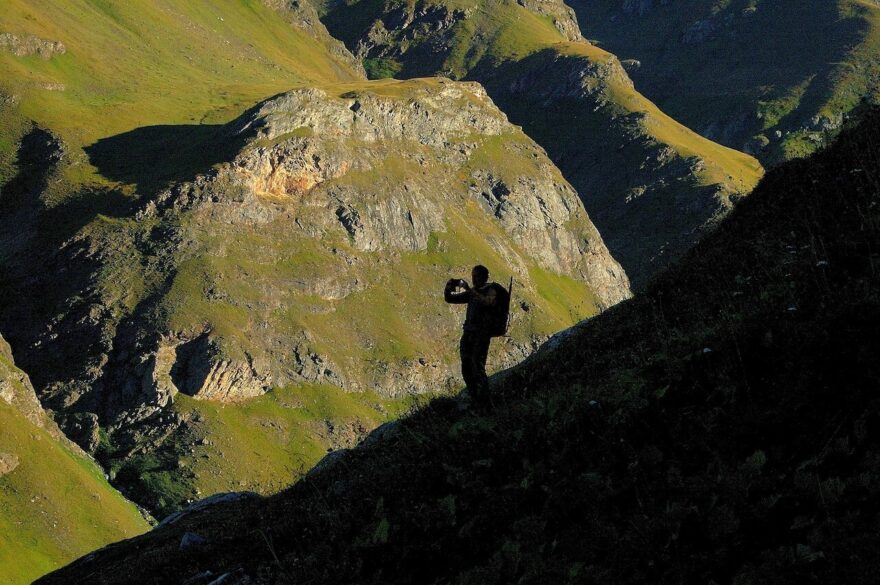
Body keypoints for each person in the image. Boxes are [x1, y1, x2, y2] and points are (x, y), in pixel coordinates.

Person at [444, 265, 499, 407]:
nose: (474, 279)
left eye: (477, 276)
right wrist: (450, 286)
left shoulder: (491, 290)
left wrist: (469, 290)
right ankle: (476, 399)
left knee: (477, 367)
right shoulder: (473, 293)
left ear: (485, 277)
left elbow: (488, 302)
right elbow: (450, 299)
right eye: (473, 276)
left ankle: (486, 403)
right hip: (468, 334)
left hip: (481, 336)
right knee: (466, 368)